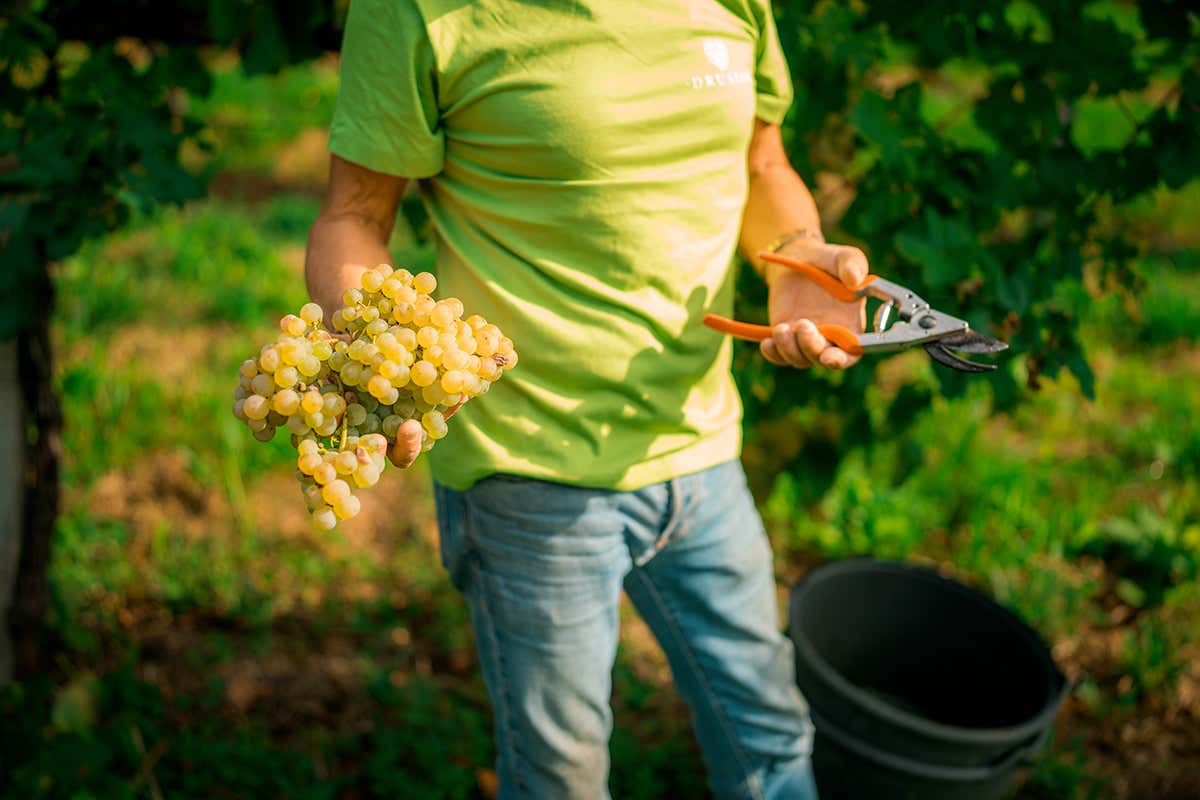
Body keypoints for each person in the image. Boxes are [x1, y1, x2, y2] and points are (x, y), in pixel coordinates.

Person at [306, 2, 869, 797]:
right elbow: (352, 219)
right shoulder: (420, 11)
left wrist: (798, 262)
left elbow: (760, 165)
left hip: (700, 448)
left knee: (771, 739)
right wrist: (378, 342)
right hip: (529, 475)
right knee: (562, 778)